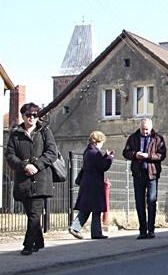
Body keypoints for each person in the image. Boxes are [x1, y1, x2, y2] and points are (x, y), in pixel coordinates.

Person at [5, 103, 58, 255]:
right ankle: (39, 241)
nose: (32, 118)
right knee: (30, 213)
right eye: (29, 115)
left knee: (35, 213)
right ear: (23, 116)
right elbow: (10, 155)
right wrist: (24, 166)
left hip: (41, 179)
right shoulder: (16, 134)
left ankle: (28, 245)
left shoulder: (44, 131)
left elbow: (51, 152)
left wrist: (37, 165)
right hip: (24, 179)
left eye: (35, 114)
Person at [122, 118, 167, 239]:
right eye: (143, 129)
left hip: (152, 174)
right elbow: (125, 152)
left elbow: (162, 155)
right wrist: (135, 155)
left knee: (151, 201)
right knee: (139, 202)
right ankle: (142, 230)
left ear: (151, 128)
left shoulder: (158, 138)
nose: (145, 132)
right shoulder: (133, 138)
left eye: (147, 129)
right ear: (140, 127)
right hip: (138, 173)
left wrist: (148, 156)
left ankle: (151, 230)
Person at [68, 131, 115, 240]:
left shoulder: (88, 151)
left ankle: (77, 228)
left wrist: (105, 156)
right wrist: (110, 158)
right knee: (96, 208)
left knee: (86, 207)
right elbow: (102, 166)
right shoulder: (95, 152)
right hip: (95, 183)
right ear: (99, 141)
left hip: (87, 182)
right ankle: (94, 232)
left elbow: (96, 163)